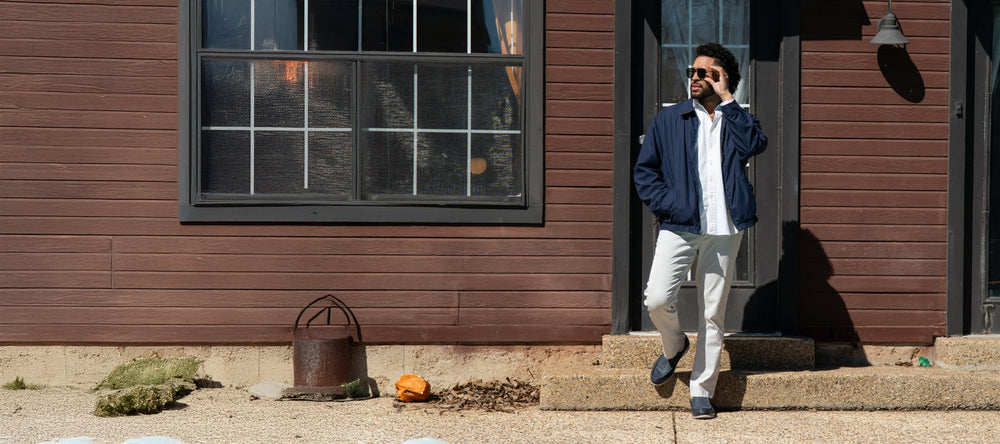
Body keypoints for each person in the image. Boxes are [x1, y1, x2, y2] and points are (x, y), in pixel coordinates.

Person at [632, 42, 767, 420]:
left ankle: (702, 389)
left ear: (723, 79)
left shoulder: (736, 118)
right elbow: (646, 172)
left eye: (706, 73)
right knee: (657, 298)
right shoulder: (669, 119)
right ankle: (674, 345)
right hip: (680, 224)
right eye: (692, 71)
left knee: (712, 313)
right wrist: (670, 205)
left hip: (725, 228)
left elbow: (755, 144)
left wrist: (728, 99)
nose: (695, 77)